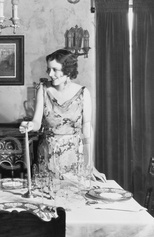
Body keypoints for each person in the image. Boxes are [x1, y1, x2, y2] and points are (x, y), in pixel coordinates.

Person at [20, 49, 106, 182]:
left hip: (74, 158)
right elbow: (37, 123)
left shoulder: (83, 93)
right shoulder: (43, 89)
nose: (50, 74)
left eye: (55, 69)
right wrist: (30, 125)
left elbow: (87, 129)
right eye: (48, 69)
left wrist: (90, 165)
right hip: (47, 157)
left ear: (68, 70)